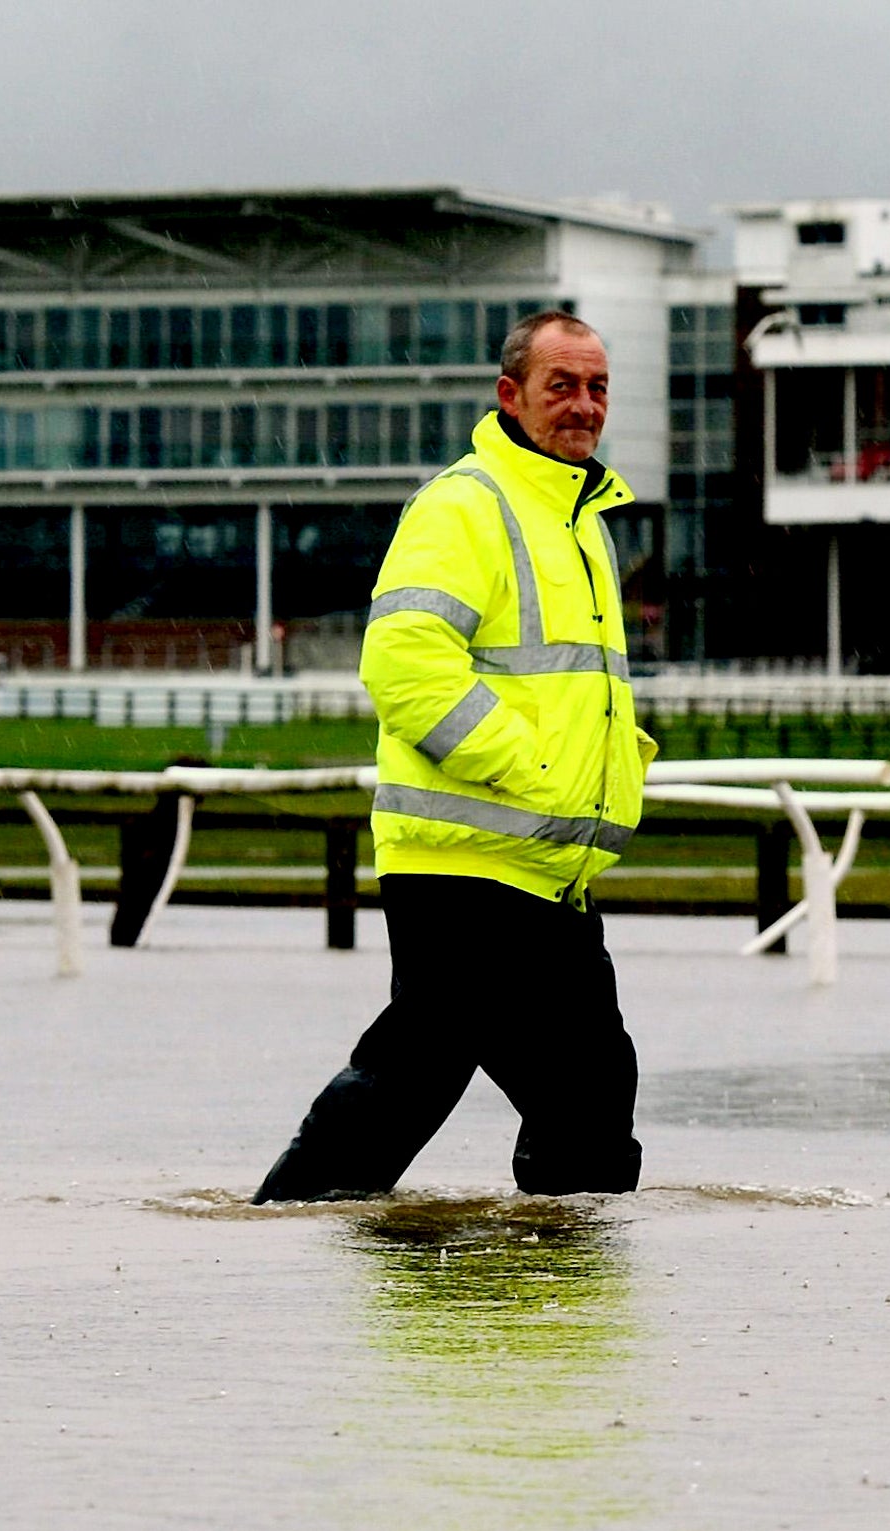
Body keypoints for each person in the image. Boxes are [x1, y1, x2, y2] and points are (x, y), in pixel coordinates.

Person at [253, 310, 657, 1203]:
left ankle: (543, 1278)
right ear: (511, 395)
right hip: (468, 863)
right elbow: (403, 662)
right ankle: (540, 1272)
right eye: (562, 386)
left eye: (596, 387)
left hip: (542, 868)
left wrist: (609, 769)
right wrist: (531, 766)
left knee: (563, 1085)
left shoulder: (582, 521)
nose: (583, 406)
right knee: (452, 1073)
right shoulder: (464, 504)